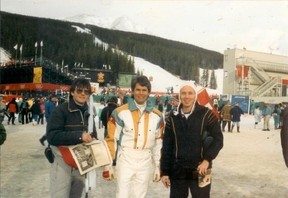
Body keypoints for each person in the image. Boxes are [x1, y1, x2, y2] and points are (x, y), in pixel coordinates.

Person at [103, 75, 164, 198]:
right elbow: (111, 140)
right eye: (138, 89)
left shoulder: (157, 115)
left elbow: (158, 143)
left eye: (144, 90)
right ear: (132, 91)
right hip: (126, 158)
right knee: (122, 195)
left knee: (140, 195)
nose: (141, 93)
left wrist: (158, 166)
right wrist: (108, 165)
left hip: (145, 159)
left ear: (148, 92)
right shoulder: (120, 112)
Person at [160, 83, 223, 198]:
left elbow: (218, 140)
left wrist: (207, 160)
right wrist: (164, 171)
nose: (186, 96)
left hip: (201, 168)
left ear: (195, 96)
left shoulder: (207, 114)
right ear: (179, 96)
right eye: (183, 93)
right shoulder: (172, 118)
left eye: (190, 93)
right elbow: (167, 146)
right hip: (178, 169)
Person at [46, 78, 97, 198]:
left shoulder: (89, 112)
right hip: (62, 162)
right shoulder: (61, 110)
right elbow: (52, 136)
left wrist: (94, 140)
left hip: (81, 163)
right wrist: (80, 136)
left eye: (86, 91)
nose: (83, 94)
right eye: (79, 91)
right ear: (72, 92)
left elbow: (93, 134)